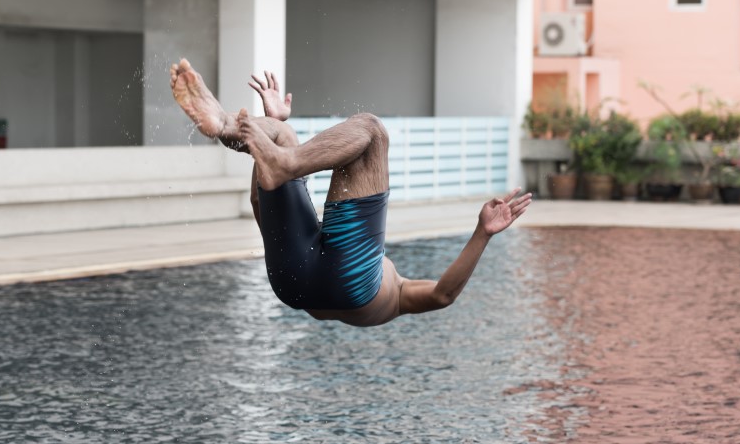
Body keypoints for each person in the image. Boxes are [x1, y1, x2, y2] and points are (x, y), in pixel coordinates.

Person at [169, 58, 531, 327]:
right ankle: (227, 124)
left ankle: (233, 129)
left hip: (350, 278)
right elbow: (443, 295)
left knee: (371, 132)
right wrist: (482, 234)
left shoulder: (396, 289)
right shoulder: (396, 297)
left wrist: (272, 159)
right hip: (292, 285)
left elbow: (258, 202)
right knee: (280, 137)